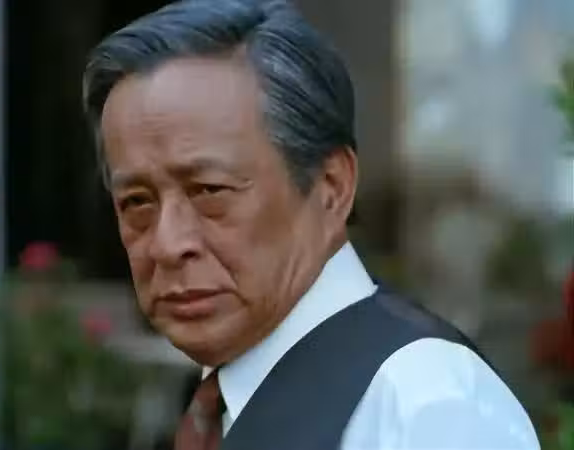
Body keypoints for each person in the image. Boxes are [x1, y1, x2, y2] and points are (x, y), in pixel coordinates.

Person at [82, 0, 540, 448]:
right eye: (136, 201)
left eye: (209, 190)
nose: (167, 243)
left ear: (331, 186)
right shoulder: (216, 400)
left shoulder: (426, 407)